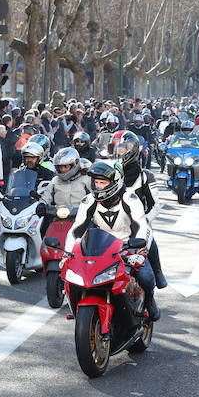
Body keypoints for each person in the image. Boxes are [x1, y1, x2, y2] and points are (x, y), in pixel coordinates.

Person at [66, 160, 159, 321]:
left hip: (129, 248)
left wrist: (140, 253)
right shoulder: (88, 201)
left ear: (115, 181)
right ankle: (78, 311)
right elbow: (76, 229)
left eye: (103, 182)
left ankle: (149, 302)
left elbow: (143, 226)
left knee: (146, 277)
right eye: (96, 182)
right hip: (99, 249)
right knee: (73, 280)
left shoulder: (130, 198)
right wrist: (67, 254)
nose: (98, 186)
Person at [110, 130, 167, 288]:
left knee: (146, 275)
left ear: (133, 150)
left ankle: (158, 273)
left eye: (124, 148)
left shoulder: (146, 176)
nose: (119, 151)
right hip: (110, 223)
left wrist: (144, 220)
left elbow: (155, 205)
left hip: (138, 225)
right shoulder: (107, 175)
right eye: (117, 148)